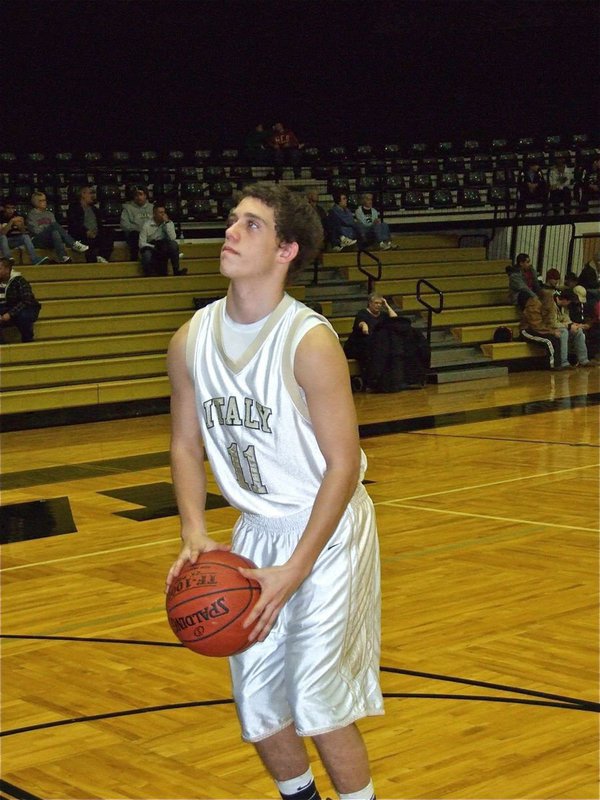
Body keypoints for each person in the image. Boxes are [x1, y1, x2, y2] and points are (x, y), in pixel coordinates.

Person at [165, 183, 382, 800]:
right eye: (232, 220)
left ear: (287, 249)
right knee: (258, 704)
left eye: (252, 225)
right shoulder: (190, 341)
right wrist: (194, 531)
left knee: (316, 696)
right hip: (256, 531)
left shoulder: (308, 343)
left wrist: (297, 567)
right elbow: (186, 446)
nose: (231, 231)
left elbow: (342, 466)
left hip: (327, 527)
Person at [343, 292, 397, 389]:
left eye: (380, 303)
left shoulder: (383, 315)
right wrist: (364, 326)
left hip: (375, 345)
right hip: (358, 345)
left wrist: (387, 305)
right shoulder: (363, 313)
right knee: (371, 352)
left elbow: (395, 319)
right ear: (370, 303)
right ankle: (370, 381)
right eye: (376, 303)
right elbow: (361, 323)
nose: (378, 305)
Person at [26, 191, 89, 264]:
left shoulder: (49, 214)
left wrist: (49, 230)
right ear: (35, 202)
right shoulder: (31, 215)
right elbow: (36, 231)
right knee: (53, 226)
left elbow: (55, 230)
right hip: (37, 240)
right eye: (41, 200)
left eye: (45, 200)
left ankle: (63, 257)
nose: (44, 202)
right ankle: (73, 244)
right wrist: (48, 229)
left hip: (50, 239)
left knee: (55, 232)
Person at [540, 287, 596, 367]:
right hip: (548, 328)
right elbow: (551, 323)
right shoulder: (550, 303)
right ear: (565, 300)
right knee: (564, 332)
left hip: (559, 326)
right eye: (569, 302)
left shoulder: (563, 307)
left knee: (578, 331)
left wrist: (574, 325)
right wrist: (569, 326)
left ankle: (583, 360)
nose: (570, 304)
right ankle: (563, 362)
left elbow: (566, 318)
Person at [517, 290, 567, 370]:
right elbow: (536, 325)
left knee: (555, 339)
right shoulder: (533, 306)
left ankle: (559, 363)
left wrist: (553, 330)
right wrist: (552, 331)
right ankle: (554, 365)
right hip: (527, 330)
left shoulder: (545, 307)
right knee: (549, 341)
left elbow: (548, 322)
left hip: (539, 329)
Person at [67, 186, 115, 264]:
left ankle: (102, 257)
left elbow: (100, 225)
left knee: (110, 232)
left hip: (95, 235)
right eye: (90, 193)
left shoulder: (95, 210)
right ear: (83, 194)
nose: (93, 196)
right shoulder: (74, 208)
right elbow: (74, 224)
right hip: (81, 236)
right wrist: (86, 232)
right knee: (90, 243)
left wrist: (96, 232)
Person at [138, 203, 187, 276]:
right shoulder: (146, 225)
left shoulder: (169, 223)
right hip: (151, 246)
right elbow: (141, 243)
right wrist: (154, 247)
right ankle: (150, 274)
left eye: (164, 212)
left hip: (165, 245)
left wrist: (167, 223)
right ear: (154, 214)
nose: (163, 215)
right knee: (146, 255)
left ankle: (176, 271)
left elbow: (173, 238)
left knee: (173, 244)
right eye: (160, 213)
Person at [0, 257, 42, 343]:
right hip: (6, 307)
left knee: (23, 316)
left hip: (26, 308)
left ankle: (28, 341)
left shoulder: (19, 280)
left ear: (7, 269)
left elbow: (26, 300)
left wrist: (10, 314)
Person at [0, 197, 49, 265]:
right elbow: (2, 233)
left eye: (12, 208)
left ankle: (34, 259)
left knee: (25, 236)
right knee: (3, 238)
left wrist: (21, 225)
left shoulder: (16, 215)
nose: (10, 210)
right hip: (2, 241)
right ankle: (8, 259)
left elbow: (23, 232)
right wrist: (11, 222)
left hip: (12, 241)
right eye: (8, 208)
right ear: (4, 208)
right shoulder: (1, 216)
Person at [120, 186, 154, 260]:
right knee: (134, 235)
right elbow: (124, 225)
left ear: (145, 195)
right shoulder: (127, 208)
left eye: (140, 194)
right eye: (136, 195)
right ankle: (134, 258)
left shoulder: (152, 208)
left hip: (151, 234)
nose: (138, 197)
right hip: (135, 234)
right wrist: (140, 230)